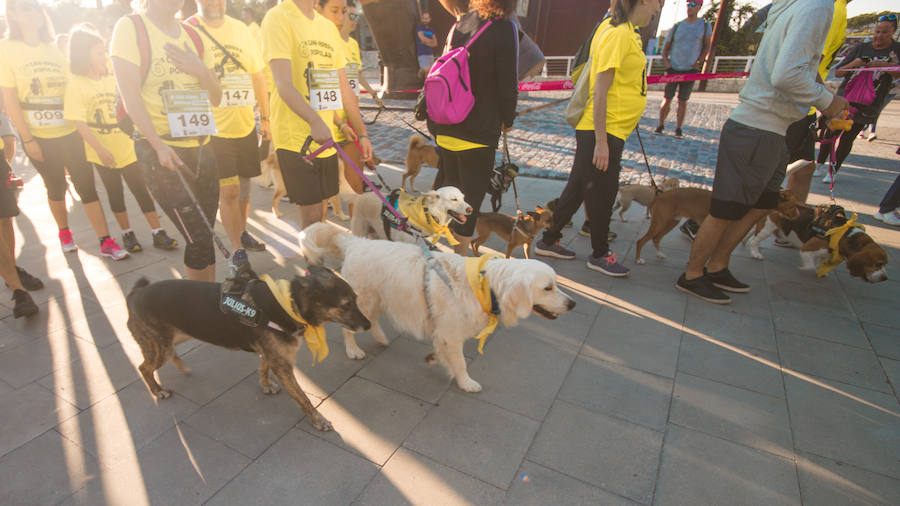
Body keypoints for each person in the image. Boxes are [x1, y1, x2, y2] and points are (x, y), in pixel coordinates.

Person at [676, 0, 848, 304]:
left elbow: (801, 66)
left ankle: (717, 266)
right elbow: (786, 74)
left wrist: (827, 97)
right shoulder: (816, 6)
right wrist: (826, 101)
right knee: (726, 209)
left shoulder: (802, 6)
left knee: (762, 204)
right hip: (757, 125)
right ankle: (692, 275)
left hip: (773, 127)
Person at [534, 0, 661, 276]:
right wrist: (602, 142)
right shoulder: (617, 32)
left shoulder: (624, 30)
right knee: (603, 194)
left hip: (605, 128)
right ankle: (600, 254)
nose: (658, 9)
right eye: (657, 2)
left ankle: (548, 239)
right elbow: (600, 90)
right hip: (602, 130)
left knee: (579, 187)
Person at [1, 0, 129, 260]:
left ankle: (105, 240)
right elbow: (10, 99)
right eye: (19, 9)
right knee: (55, 186)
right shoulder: (6, 49)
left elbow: (75, 84)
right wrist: (27, 139)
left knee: (86, 186)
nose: (27, 15)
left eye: (32, 9)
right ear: (11, 16)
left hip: (70, 131)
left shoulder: (53, 49)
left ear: (40, 14)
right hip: (39, 135)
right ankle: (64, 232)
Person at [110, 0, 223, 281]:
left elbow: (217, 98)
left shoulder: (193, 34)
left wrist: (201, 71)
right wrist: (159, 146)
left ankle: (208, 303)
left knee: (206, 235)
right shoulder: (130, 27)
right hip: (161, 152)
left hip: (202, 148)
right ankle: (199, 313)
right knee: (197, 237)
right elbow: (130, 96)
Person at [64, 26, 179, 254]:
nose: (104, 57)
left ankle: (157, 231)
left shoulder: (112, 79)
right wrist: (100, 150)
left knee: (141, 190)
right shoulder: (76, 85)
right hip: (103, 152)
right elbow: (80, 124)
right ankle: (127, 233)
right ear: (84, 57)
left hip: (128, 147)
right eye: (99, 53)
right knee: (115, 193)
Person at [261, 0, 372, 229]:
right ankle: (313, 264)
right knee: (311, 214)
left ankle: (317, 259)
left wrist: (362, 133)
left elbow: (343, 88)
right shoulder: (277, 17)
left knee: (322, 209)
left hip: (326, 136)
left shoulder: (327, 27)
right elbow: (283, 84)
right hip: (295, 137)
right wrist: (314, 120)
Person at [426, 0, 519, 256]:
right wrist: (508, 120)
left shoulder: (461, 22)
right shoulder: (503, 27)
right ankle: (459, 262)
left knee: (447, 195)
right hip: (477, 131)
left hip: (445, 126)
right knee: (468, 203)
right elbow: (507, 83)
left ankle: (429, 251)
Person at [187, 0, 270, 271]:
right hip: (212, 130)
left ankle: (242, 232)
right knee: (230, 190)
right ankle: (236, 250)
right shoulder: (188, 30)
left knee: (244, 189)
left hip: (244, 124)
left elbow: (257, 75)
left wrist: (265, 118)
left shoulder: (241, 29)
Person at [816, 14, 899, 184]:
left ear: (893, 32)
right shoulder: (861, 48)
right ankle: (819, 164)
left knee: (848, 138)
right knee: (831, 132)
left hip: (869, 103)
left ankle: (833, 171)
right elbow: (838, 72)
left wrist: (883, 66)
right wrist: (855, 64)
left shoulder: (897, 50)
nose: (879, 36)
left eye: (884, 32)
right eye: (877, 31)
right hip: (845, 99)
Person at [316, 0, 381, 213]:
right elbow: (319, 90)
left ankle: (357, 233)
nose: (348, 19)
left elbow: (355, 76)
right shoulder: (318, 42)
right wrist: (339, 121)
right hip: (325, 123)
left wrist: (372, 94)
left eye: (351, 15)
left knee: (356, 185)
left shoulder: (352, 45)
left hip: (350, 119)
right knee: (324, 192)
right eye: (344, 13)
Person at [654, 0, 710, 138]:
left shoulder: (704, 25)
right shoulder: (678, 26)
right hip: (674, 67)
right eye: (688, 4)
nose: (689, 8)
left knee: (683, 100)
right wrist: (667, 63)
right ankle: (661, 125)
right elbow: (666, 47)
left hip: (690, 69)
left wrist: (699, 62)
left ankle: (678, 128)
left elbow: (707, 45)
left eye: (692, 5)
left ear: (699, 6)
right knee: (667, 98)